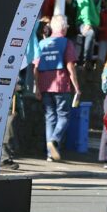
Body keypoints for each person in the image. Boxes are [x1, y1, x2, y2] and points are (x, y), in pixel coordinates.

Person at [33, 15, 81, 162]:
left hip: (45, 85)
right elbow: (70, 66)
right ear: (64, 28)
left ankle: (50, 154)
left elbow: (35, 67)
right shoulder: (66, 43)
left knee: (50, 118)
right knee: (64, 116)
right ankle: (54, 140)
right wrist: (77, 87)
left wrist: (37, 87)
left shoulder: (42, 43)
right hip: (61, 84)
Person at [75, 0, 102, 68]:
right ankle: (86, 61)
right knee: (90, 34)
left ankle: (89, 63)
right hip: (83, 22)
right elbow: (84, 8)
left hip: (95, 23)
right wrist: (87, 23)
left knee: (92, 38)